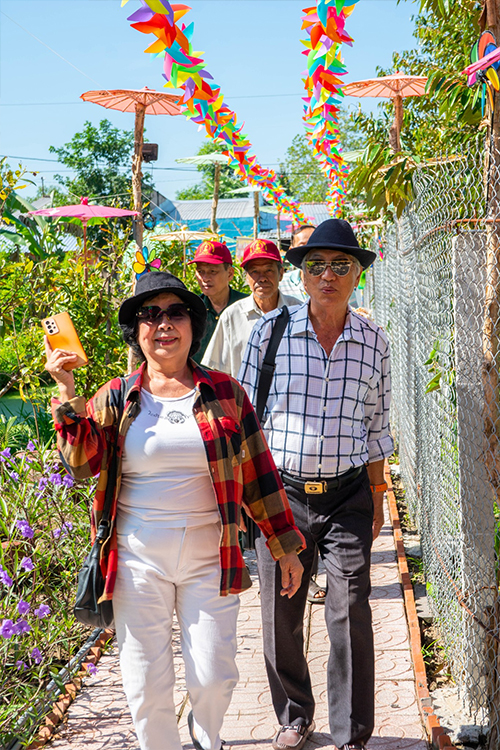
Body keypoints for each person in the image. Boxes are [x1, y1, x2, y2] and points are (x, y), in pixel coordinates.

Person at [44, 270, 305, 750]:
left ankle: (207, 738)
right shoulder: (116, 396)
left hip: (212, 555)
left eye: (176, 312)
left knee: (214, 676)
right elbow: (81, 464)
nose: (163, 323)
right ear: (137, 332)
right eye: (150, 314)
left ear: (193, 325)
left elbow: (259, 474)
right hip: (136, 558)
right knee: (146, 684)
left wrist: (284, 545)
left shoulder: (225, 393)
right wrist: (66, 392)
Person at [238, 219, 394, 750]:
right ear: (301, 276)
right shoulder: (269, 333)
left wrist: (377, 496)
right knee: (281, 610)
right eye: (316, 265)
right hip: (281, 495)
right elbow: (245, 420)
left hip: (348, 494)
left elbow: (377, 426)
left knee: (350, 608)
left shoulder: (374, 342)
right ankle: (293, 715)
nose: (328, 275)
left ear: (357, 275)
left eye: (340, 265)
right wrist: (250, 499)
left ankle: (351, 732)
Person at [202, 239, 301, 377]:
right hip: (243, 392)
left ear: (281, 274)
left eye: (268, 270)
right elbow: (220, 371)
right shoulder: (232, 316)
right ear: (246, 277)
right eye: (254, 271)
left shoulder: (298, 311)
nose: (262, 278)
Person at [188, 239, 248, 363]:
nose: (205, 278)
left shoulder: (247, 307)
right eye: (200, 271)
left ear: (230, 273)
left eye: (212, 271)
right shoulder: (191, 309)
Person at [279, 224, 315, 301]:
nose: (308, 250)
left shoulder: (333, 281)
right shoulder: (281, 284)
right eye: (302, 246)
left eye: (314, 245)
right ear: (292, 250)